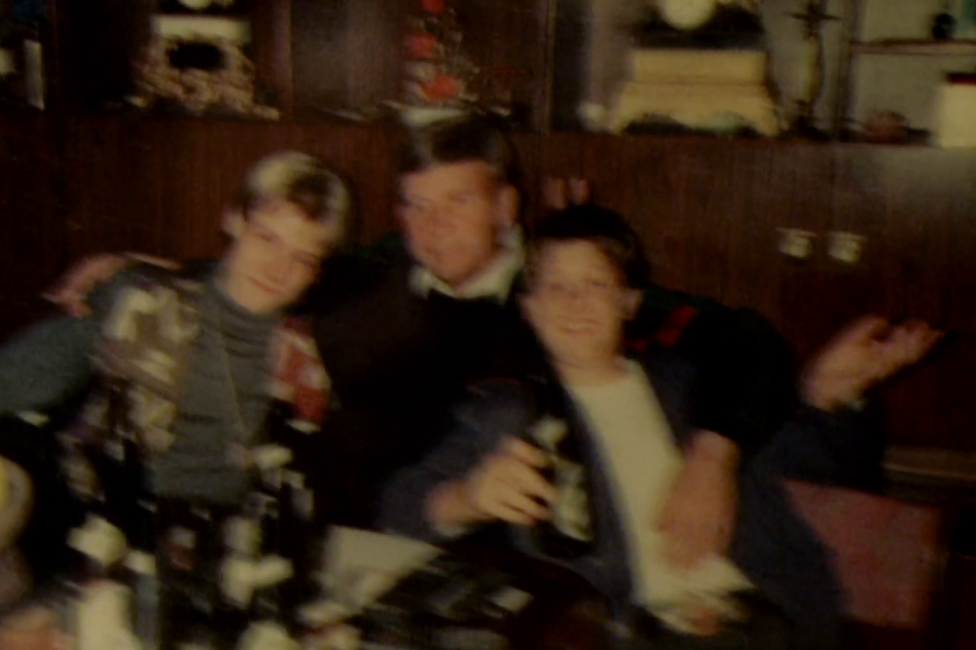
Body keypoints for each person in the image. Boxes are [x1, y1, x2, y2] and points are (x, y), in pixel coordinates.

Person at [41, 117, 803, 566]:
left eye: (456, 202)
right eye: (414, 206)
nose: (431, 228)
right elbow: (262, 267)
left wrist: (713, 459)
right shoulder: (374, 272)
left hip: (498, 556)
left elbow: (746, 339)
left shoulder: (565, 292)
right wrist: (142, 267)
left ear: (506, 206)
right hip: (345, 542)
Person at [379, 204, 945, 650]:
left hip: (776, 638)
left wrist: (830, 398)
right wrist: (469, 497)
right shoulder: (507, 413)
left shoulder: (698, 389)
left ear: (630, 302)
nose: (575, 303)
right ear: (530, 307)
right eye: (556, 288)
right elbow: (397, 509)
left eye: (595, 284)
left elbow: (819, 469)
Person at [0, 150, 350, 522]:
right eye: (267, 238)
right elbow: (6, 378)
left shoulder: (307, 360)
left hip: (235, 546)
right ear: (233, 220)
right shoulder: (141, 301)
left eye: (302, 258)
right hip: (109, 526)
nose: (277, 268)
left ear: (317, 272)